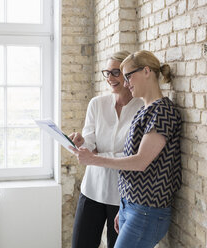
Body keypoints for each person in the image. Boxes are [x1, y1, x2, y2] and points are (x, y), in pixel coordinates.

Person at [70, 50, 182, 248]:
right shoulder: (147, 109)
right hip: (130, 204)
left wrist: (95, 159)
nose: (125, 81)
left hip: (145, 210)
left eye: (127, 75)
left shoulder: (161, 110)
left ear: (146, 71)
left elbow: (139, 161)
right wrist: (126, 205)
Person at [70, 51, 144, 248]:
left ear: (128, 74)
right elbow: (89, 145)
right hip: (92, 189)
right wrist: (80, 143)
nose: (110, 78)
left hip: (122, 197)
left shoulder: (142, 108)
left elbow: (134, 156)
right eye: (107, 72)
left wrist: (95, 157)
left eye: (115, 72)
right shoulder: (97, 104)